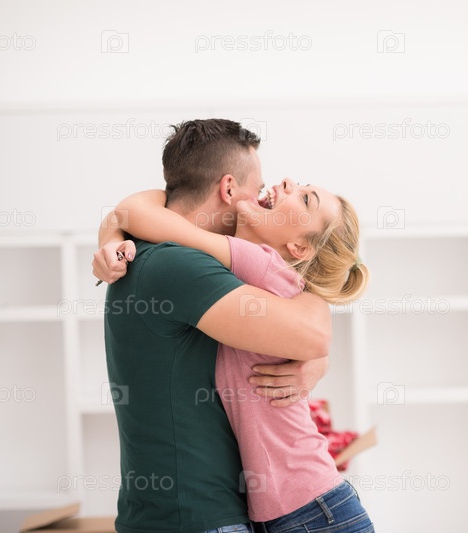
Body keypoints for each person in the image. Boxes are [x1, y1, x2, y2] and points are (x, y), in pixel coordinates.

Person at [97, 119, 331, 533]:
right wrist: (316, 357)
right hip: (196, 516)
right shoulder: (180, 265)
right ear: (228, 189)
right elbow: (311, 335)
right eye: (258, 189)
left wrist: (112, 228)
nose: (264, 197)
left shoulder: (148, 250)